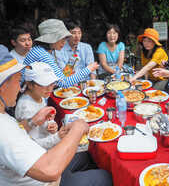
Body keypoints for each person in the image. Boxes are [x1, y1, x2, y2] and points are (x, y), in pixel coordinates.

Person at [0, 45, 112, 186]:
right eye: (17, 80)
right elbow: (49, 170)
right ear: (3, 85)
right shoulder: (4, 130)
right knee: (104, 176)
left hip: (45, 158)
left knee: (90, 157)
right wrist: (77, 129)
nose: (19, 87)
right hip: (49, 181)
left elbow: (21, 133)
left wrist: (32, 122)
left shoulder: (4, 117)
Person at [24, 19, 99, 88]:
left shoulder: (42, 50)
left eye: (66, 38)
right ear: (52, 39)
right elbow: (63, 83)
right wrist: (89, 69)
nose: (64, 41)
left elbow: (60, 77)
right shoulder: (43, 54)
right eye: (62, 38)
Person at [15, 62, 62, 149]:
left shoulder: (39, 95)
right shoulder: (26, 108)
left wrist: (51, 124)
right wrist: (58, 137)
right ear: (29, 84)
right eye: (44, 84)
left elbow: (45, 121)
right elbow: (33, 144)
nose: (49, 88)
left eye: (52, 83)